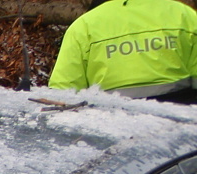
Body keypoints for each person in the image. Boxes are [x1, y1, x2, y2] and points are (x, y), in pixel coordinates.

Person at [48, 0, 197, 101]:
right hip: (178, 132)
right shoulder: (184, 16)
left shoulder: (84, 25)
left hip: (109, 131)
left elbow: (62, 94)